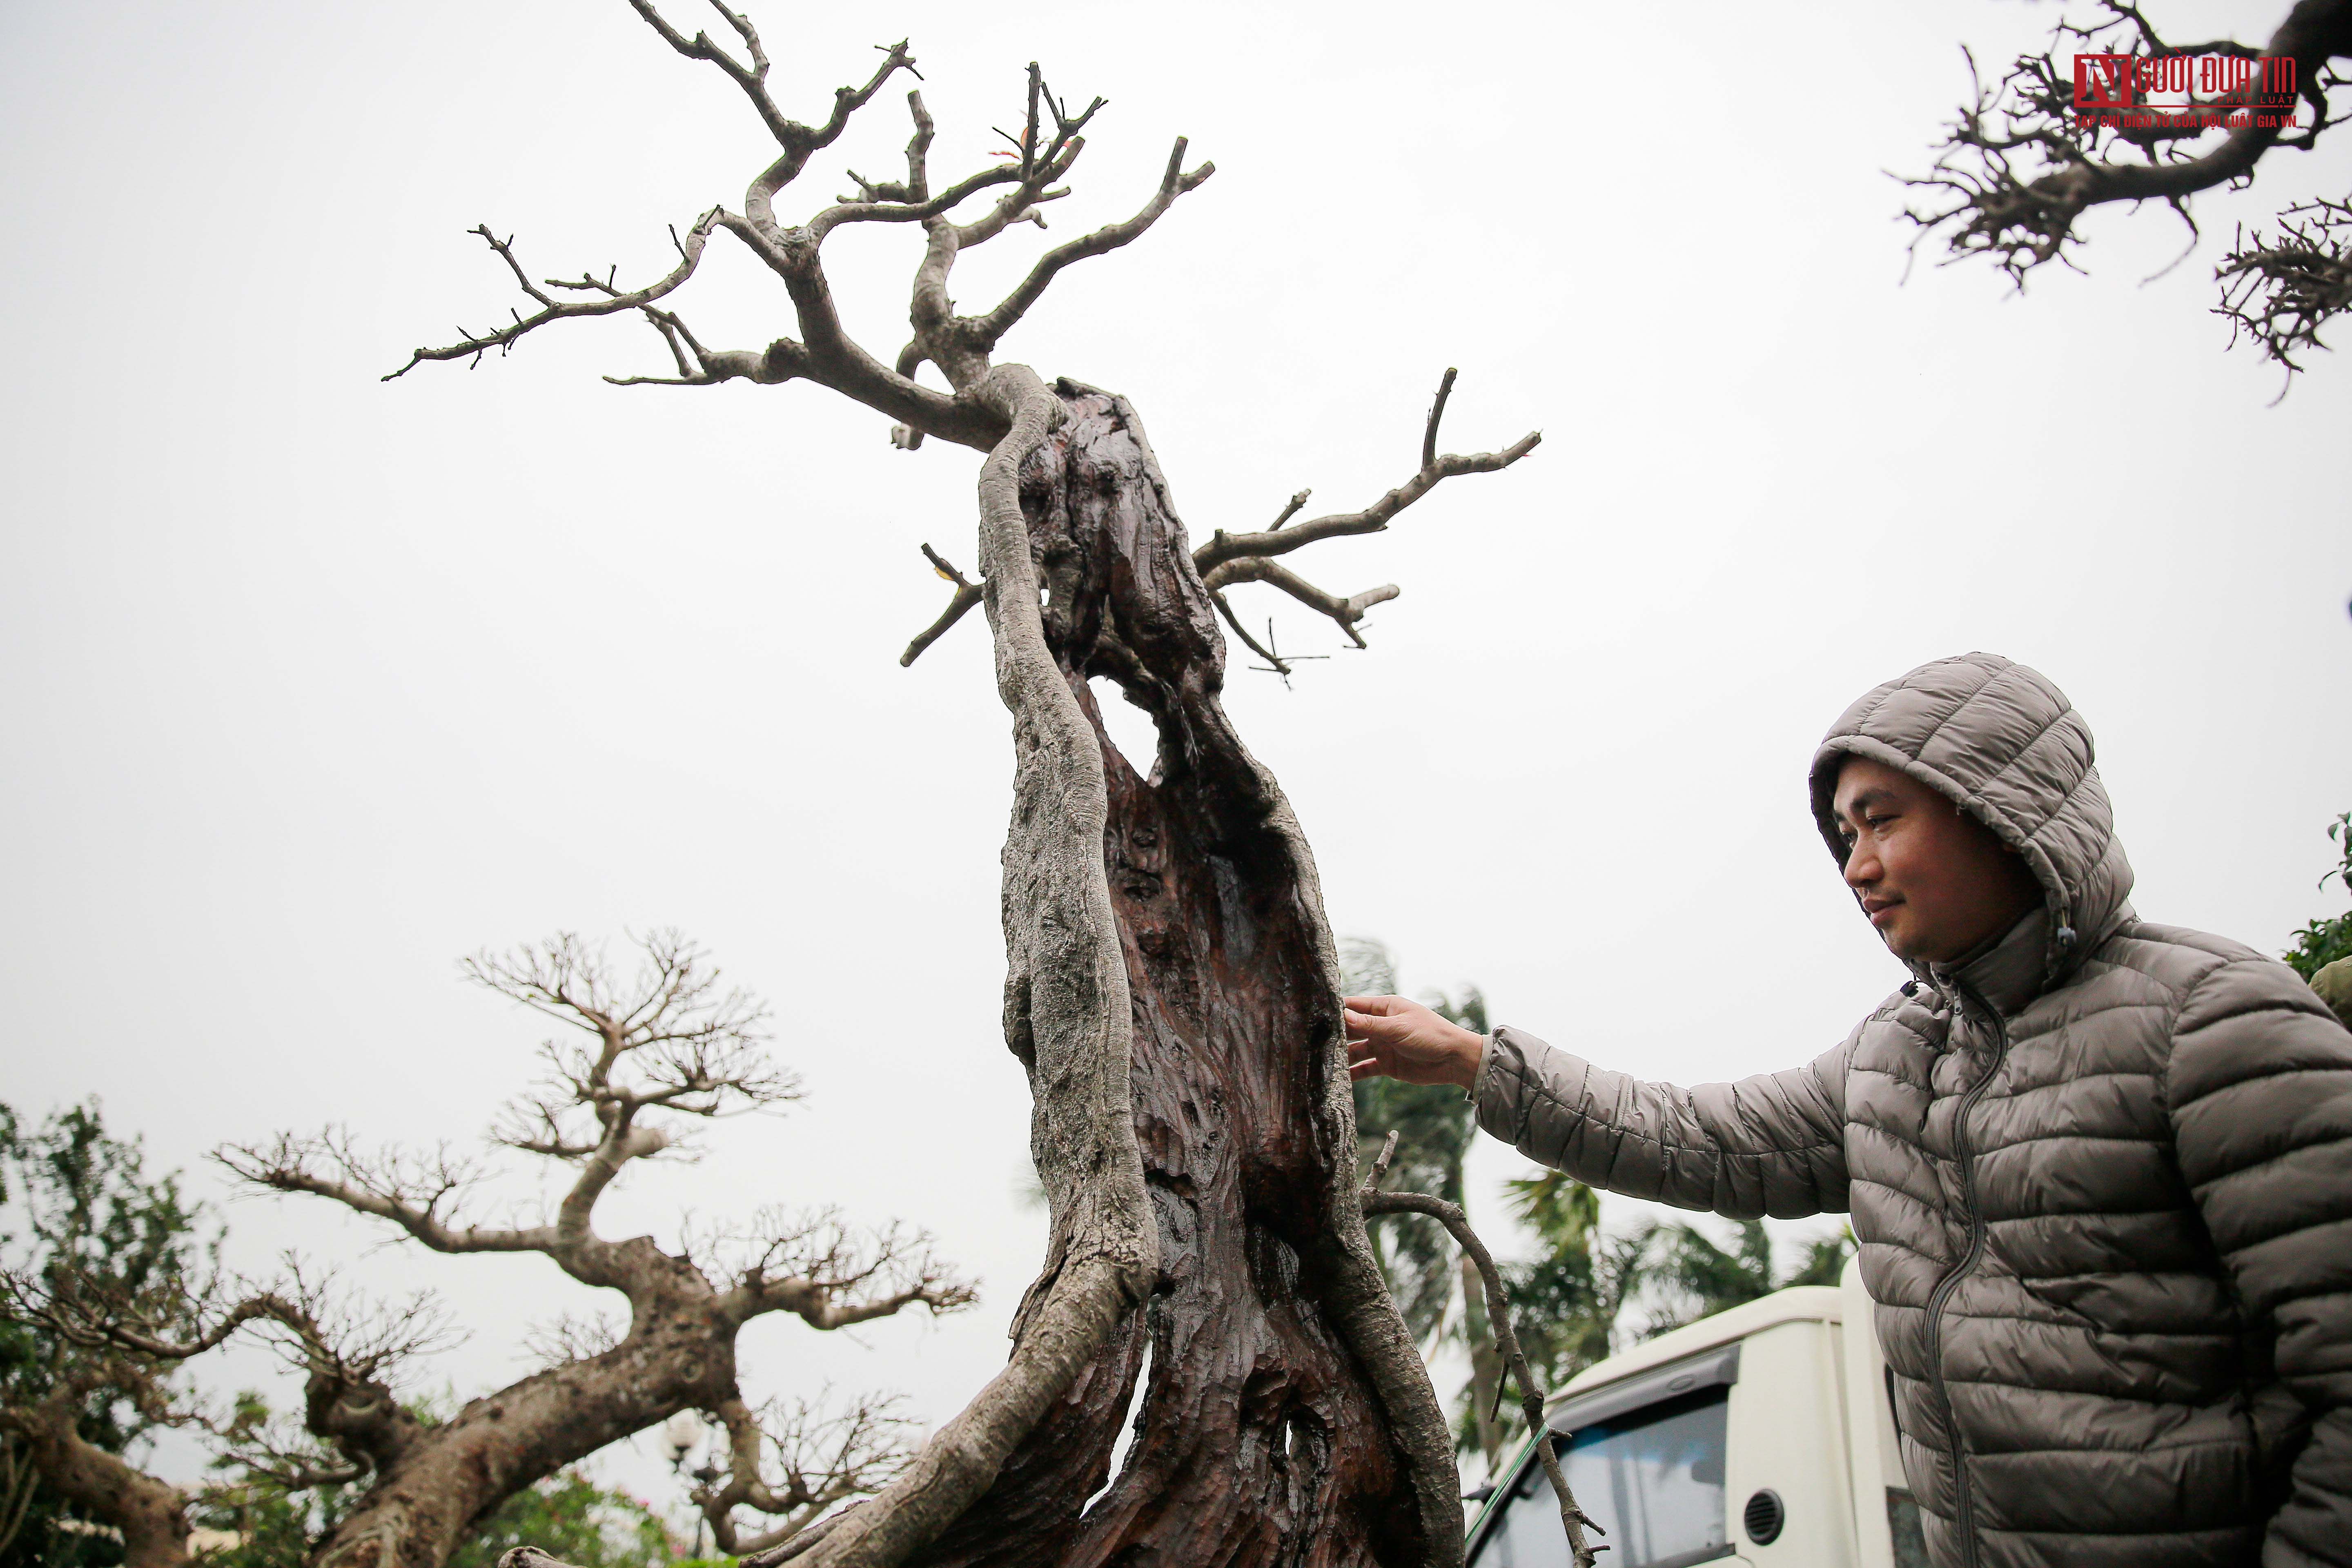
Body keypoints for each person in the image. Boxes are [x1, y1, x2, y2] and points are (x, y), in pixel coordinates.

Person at [1344, 653, 2352, 1568]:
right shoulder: (1898, 1057)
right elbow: (1707, 1142)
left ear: (2002, 806)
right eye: (1843, 836)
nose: (1857, 868)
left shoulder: (2217, 1023)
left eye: (1882, 821)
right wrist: (1478, 1064)